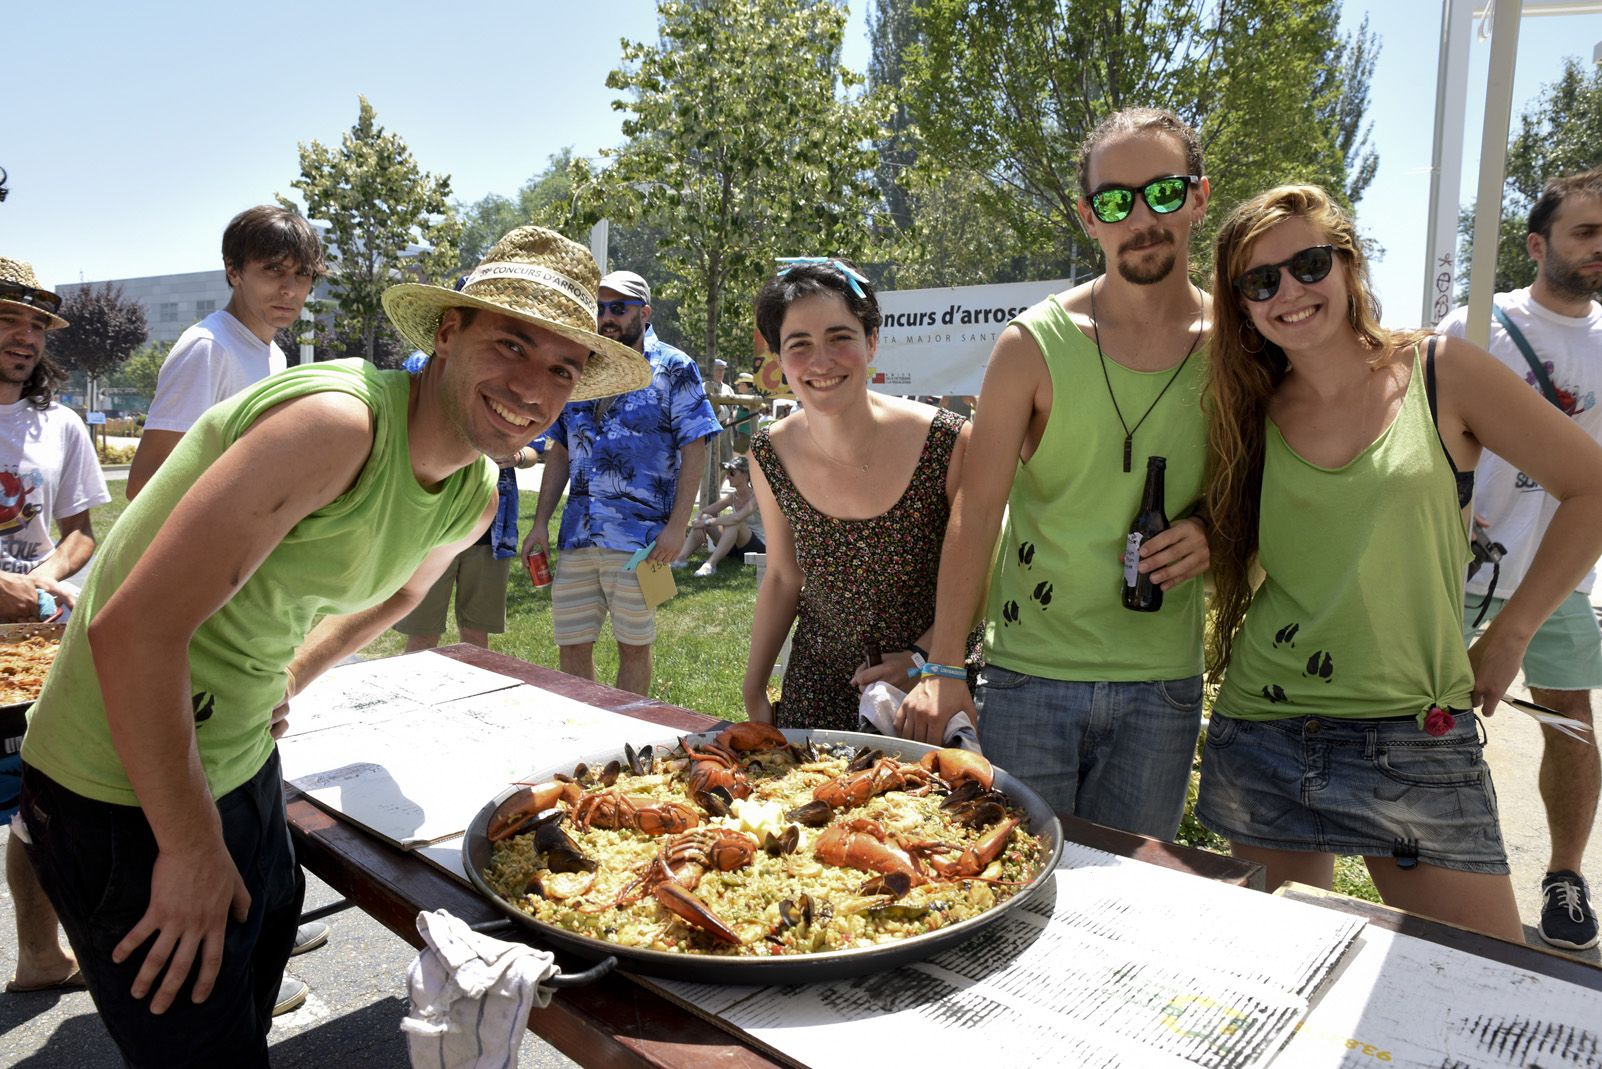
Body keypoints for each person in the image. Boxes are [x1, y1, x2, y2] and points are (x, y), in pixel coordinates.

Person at [15, 226, 648, 1065]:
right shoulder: (337, 423)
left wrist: (291, 672)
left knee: (250, 984)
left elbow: (400, 594)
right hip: (120, 783)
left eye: (563, 367)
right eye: (511, 343)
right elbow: (131, 628)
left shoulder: (471, 495)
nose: (533, 385)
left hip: (238, 757)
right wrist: (192, 847)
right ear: (447, 334)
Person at [1195, 183, 1602, 943]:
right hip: (1267, 729)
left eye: (1310, 263)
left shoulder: (1443, 372)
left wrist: (1511, 635)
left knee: (1487, 988)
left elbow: (1591, 488)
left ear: (1349, 265)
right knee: (1289, 980)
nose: (1290, 290)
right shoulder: (1248, 405)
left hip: (1417, 734)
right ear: (1243, 304)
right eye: (1261, 280)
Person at [897, 107, 1213, 839]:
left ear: (1198, 197)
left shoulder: (1238, 343)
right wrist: (943, 668)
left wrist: (1213, 535)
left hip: (1162, 683)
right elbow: (976, 513)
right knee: (1013, 885)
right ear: (1087, 217)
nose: (1141, 216)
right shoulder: (1031, 345)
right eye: (1114, 200)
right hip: (1030, 678)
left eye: (1163, 192)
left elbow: (1260, 488)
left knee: (1132, 901)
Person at [1441, 168, 1602, 951]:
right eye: (1585, 232)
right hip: (1455, 567)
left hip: (1557, 574)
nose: (1600, 247)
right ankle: (1453, 871)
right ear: (1538, 244)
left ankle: (1565, 874)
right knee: (1433, 718)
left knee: (1570, 720)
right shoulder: (1477, 323)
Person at [741, 258, 973, 731]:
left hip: (930, 686)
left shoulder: (948, 441)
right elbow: (784, 577)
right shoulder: (769, 453)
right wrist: (754, 687)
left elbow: (978, 568)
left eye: (840, 338)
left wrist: (921, 657)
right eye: (799, 345)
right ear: (780, 361)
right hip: (820, 686)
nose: (821, 361)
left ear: (871, 342)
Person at [526, 270, 719, 696]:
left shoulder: (673, 366)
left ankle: (629, 738)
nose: (606, 317)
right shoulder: (582, 367)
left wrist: (677, 526)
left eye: (618, 308)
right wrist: (540, 522)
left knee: (633, 644)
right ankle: (584, 737)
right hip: (578, 533)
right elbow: (560, 448)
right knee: (572, 644)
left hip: (642, 541)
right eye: (600, 308)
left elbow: (696, 446)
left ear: (644, 313)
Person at [0, 258, 110, 995]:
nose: (25, 337)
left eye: (36, 325)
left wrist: (44, 578)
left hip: (29, 650)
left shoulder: (60, 423)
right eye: (8, 319)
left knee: (30, 805)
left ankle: (41, 955)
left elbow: (80, 532)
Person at [126, 205, 324, 500]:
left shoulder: (275, 356)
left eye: (302, 273)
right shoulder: (208, 348)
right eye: (274, 269)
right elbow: (145, 483)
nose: (289, 289)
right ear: (233, 270)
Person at [392, 352, 542, 653]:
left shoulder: (517, 377)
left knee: (476, 637)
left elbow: (535, 451)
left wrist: (515, 457)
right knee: (421, 633)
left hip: (491, 532)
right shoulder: (421, 364)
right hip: (431, 527)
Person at [673, 456, 765, 577]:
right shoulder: (732, 497)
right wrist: (699, 522)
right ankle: (680, 559)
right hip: (734, 546)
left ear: (745, 475)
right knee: (705, 517)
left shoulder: (757, 496)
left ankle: (710, 564)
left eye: (732, 473)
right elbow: (703, 511)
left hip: (756, 547)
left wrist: (706, 523)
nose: (727, 477)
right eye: (727, 473)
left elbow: (737, 518)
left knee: (734, 523)